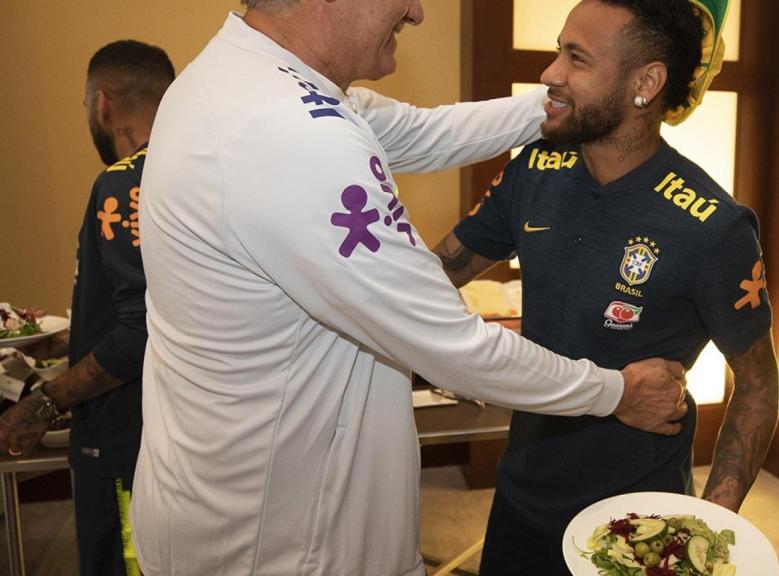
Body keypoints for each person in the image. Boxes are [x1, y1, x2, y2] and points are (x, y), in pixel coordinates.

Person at [129, 1, 689, 574]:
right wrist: (614, 392)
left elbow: (428, 132)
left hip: (231, 497)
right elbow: (449, 343)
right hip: (276, 542)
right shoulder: (285, 137)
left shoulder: (251, 77)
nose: (418, 11)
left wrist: (574, 95)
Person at [432, 0, 779, 573]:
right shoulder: (534, 171)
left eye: (577, 58)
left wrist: (714, 526)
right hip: (522, 492)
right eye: (557, 50)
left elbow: (758, 386)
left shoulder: (712, 225)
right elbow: (438, 273)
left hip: (638, 522)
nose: (550, 73)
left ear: (646, 83)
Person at [0, 40, 175, 576]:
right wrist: (63, 340)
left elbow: (138, 329)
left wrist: (44, 403)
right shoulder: (190, 168)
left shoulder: (120, 181)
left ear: (102, 104)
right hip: (174, 433)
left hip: (122, 439)